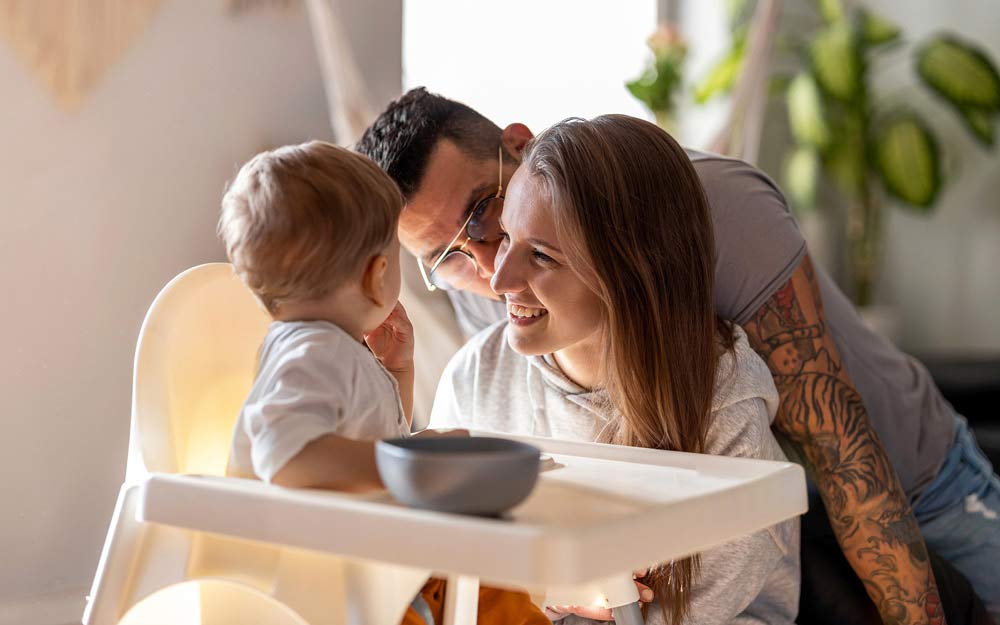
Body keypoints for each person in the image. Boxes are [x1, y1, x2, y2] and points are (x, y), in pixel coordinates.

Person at [357, 87, 1000, 624]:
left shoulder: (716, 218)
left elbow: (841, 451)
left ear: (519, 150)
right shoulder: (494, 303)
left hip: (905, 481)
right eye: (446, 259)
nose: (492, 267)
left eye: (480, 215)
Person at [429, 114, 800, 625]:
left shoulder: (722, 398)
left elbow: (702, 606)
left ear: (629, 273)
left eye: (541, 256)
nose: (500, 278)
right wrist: (557, 586)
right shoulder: (474, 377)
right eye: (507, 237)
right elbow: (445, 576)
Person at [218, 140, 550, 625]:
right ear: (378, 275)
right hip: (327, 582)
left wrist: (398, 374)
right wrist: (404, 464)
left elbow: (363, 436)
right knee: (491, 588)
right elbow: (283, 452)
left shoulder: (333, 349)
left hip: (367, 561)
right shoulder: (313, 352)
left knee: (495, 587)